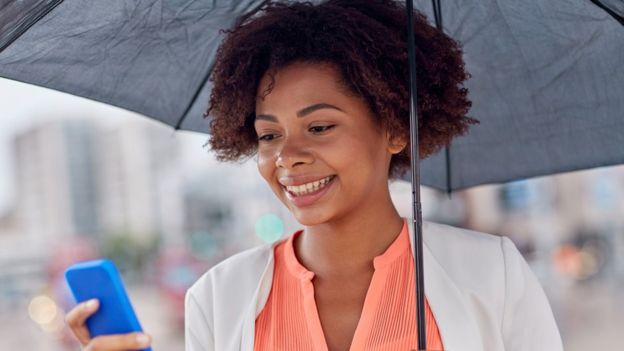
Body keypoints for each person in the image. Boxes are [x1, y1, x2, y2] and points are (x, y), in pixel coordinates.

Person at [66, 1, 564, 350]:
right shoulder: (219, 297)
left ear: (394, 127)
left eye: (319, 126)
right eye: (268, 135)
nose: (288, 156)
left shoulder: (492, 274)